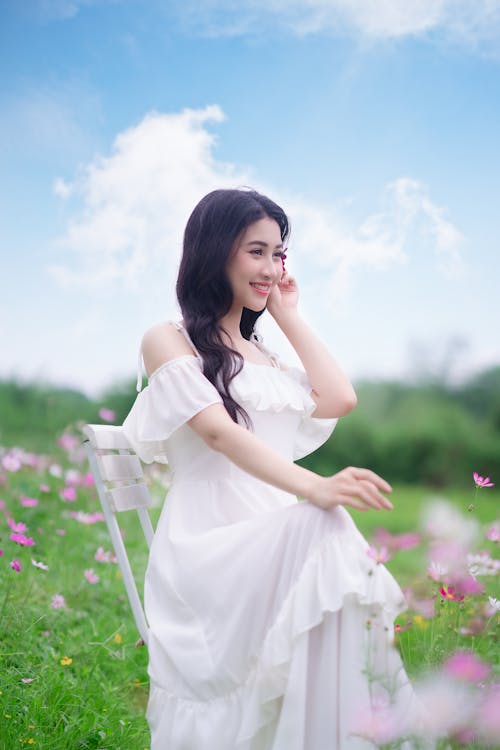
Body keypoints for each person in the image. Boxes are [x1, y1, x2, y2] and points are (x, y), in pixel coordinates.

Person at [122, 188, 420, 749]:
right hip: (211, 545)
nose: (271, 267)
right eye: (256, 251)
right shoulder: (169, 339)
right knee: (325, 523)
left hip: (275, 534)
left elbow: (339, 397)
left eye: (278, 253)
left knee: (322, 530)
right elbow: (217, 431)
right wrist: (316, 487)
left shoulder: (267, 354)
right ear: (216, 252)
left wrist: (287, 314)